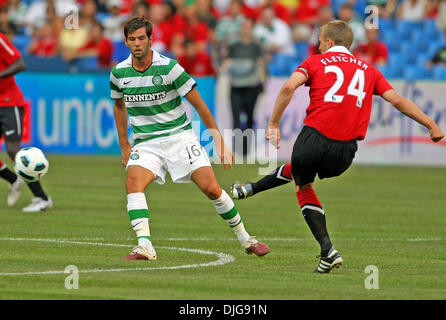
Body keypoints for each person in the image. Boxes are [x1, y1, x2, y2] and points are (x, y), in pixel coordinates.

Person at [231, 20, 444, 273]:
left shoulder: (315, 62)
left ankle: (327, 249)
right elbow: (396, 100)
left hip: (315, 137)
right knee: (301, 171)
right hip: (345, 152)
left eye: (320, 40)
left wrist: (274, 123)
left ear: (330, 42)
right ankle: (248, 189)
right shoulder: (369, 70)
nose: (318, 45)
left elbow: (289, 86)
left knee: (304, 182)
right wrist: (430, 123)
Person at [110, 17, 269, 260]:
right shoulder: (119, 73)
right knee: (133, 183)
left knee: (211, 189)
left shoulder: (170, 68)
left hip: (180, 138)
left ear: (151, 40)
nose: (137, 43)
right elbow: (119, 107)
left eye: (142, 38)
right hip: (147, 143)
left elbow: (200, 105)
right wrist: (124, 145)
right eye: (132, 39)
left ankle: (246, 239)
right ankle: (145, 246)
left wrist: (218, 139)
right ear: (126, 41)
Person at [0, 31, 53, 211]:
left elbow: (20, 63)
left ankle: (42, 198)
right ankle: (13, 179)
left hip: (8, 101)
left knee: (14, 149)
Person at [222, 18, 265, 155]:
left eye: (249, 27)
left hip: (252, 87)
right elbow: (227, 63)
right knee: (236, 118)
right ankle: (238, 149)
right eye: (244, 27)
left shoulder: (256, 46)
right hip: (236, 86)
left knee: (250, 117)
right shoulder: (234, 46)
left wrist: (261, 80)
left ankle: (246, 150)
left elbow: (260, 64)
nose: (246, 30)